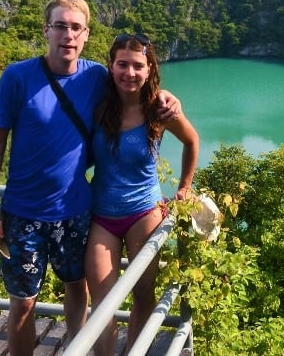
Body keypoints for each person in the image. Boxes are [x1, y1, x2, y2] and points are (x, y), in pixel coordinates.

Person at [0, 0, 182, 356]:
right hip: (23, 213)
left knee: (76, 288)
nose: (67, 35)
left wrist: (165, 96)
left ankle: (78, 349)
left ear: (86, 35)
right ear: (46, 31)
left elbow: (132, 84)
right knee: (23, 304)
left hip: (76, 211)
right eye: (60, 26)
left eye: (75, 28)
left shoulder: (97, 76)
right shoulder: (17, 77)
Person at [85, 33, 199, 355]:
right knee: (103, 303)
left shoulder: (158, 110)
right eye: (123, 64)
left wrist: (185, 188)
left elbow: (192, 141)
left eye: (138, 66)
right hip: (102, 216)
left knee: (143, 295)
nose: (129, 73)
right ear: (111, 66)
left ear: (149, 69)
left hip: (144, 213)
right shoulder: (99, 109)